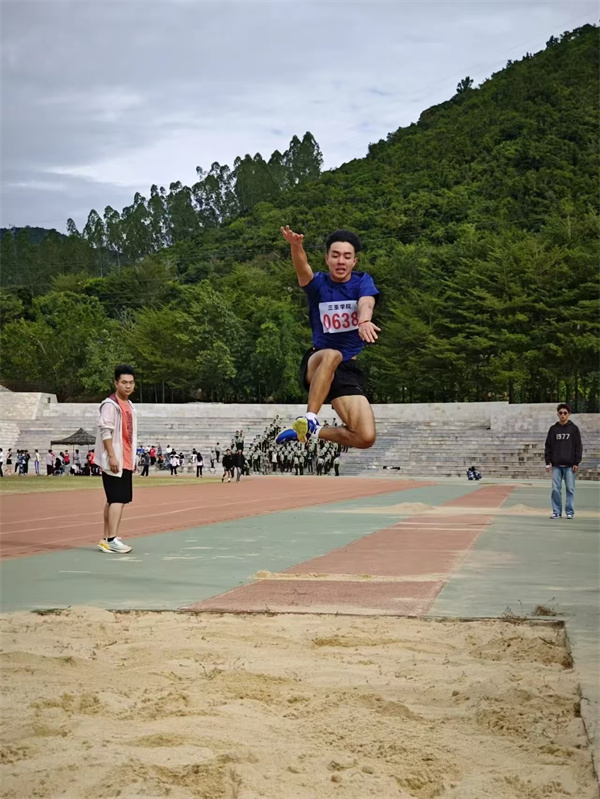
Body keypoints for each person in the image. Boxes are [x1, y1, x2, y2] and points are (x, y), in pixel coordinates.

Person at [276, 227, 380, 451]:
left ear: (354, 261)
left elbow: (367, 302)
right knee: (333, 354)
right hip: (318, 361)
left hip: (346, 369)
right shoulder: (319, 284)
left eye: (347, 256)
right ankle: (310, 418)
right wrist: (296, 246)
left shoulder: (362, 282)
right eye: (335, 255)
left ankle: (311, 432)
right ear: (327, 259)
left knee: (365, 436)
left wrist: (364, 320)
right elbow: (303, 269)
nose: (341, 261)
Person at [95, 364, 138, 554]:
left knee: (113, 499)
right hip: (116, 459)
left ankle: (107, 538)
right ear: (116, 383)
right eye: (124, 382)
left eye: (131, 382)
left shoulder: (129, 406)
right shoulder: (110, 405)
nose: (128, 386)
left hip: (126, 458)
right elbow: (105, 431)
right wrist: (112, 456)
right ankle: (112, 539)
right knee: (118, 499)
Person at [545, 403, 583, 519]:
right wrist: (547, 462)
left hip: (569, 465)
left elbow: (578, 446)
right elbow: (548, 446)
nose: (563, 415)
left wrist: (576, 462)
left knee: (570, 489)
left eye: (565, 413)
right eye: (560, 413)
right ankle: (556, 511)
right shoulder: (553, 429)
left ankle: (570, 512)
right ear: (558, 414)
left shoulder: (574, 429)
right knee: (555, 489)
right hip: (556, 464)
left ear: (569, 414)